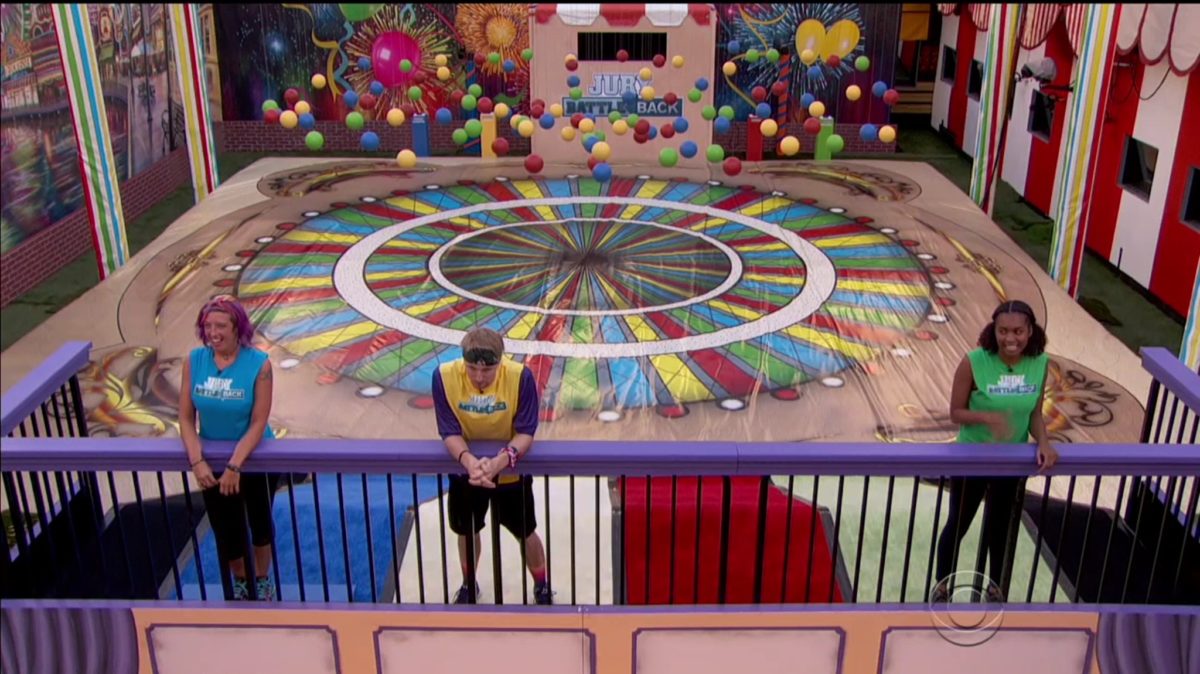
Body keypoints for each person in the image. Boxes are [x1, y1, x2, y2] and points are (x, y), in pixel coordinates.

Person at [932, 300, 1059, 603]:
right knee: (958, 523)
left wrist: (1043, 442)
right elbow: (956, 413)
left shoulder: (1040, 363)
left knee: (1000, 526)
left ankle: (995, 587)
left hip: (1010, 462)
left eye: (1017, 331)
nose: (1010, 338)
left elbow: (1034, 414)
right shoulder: (973, 361)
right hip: (972, 458)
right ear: (994, 330)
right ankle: (942, 586)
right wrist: (988, 418)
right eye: (1003, 331)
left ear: (1030, 331)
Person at [432, 327, 551, 604]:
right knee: (466, 530)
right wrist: (469, 462)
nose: (479, 376)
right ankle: (468, 584)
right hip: (467, 474)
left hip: (510, 474)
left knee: (526, 531)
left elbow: (526, 431)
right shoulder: (443, 376)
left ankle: (542, 585)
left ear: (501, 361)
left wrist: (499, 462)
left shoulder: (521, 377)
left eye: (487, 370)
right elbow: (448, 430)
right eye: (472, 368)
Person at [179, 295, 280, 601]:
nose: (213, 332)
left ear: (238, 328)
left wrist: (235, 464)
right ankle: (241, 579)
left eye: (221, 326)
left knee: (259, 522)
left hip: (255, 458)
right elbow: (185, 418)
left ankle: (261, 578)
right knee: (226, 528)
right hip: (212, 462)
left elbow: (259, 421)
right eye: (208, 326)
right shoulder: (193, 361)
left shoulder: (259, 364)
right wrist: (197, 461)